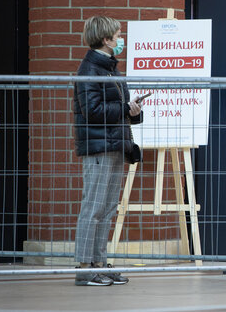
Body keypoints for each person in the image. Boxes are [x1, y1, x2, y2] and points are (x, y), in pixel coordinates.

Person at [73, 16, 144, 286]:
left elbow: (117, 108)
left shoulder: (110, 69)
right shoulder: (91, 69)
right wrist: (125, 109)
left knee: (107, 207)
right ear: (105, 39)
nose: (120, 39)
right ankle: (84, 267)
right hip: (100, 147)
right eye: (117, 35)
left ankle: (99, 262)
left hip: (114, 145)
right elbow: (91, 112)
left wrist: (133, 110)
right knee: (93, 207)